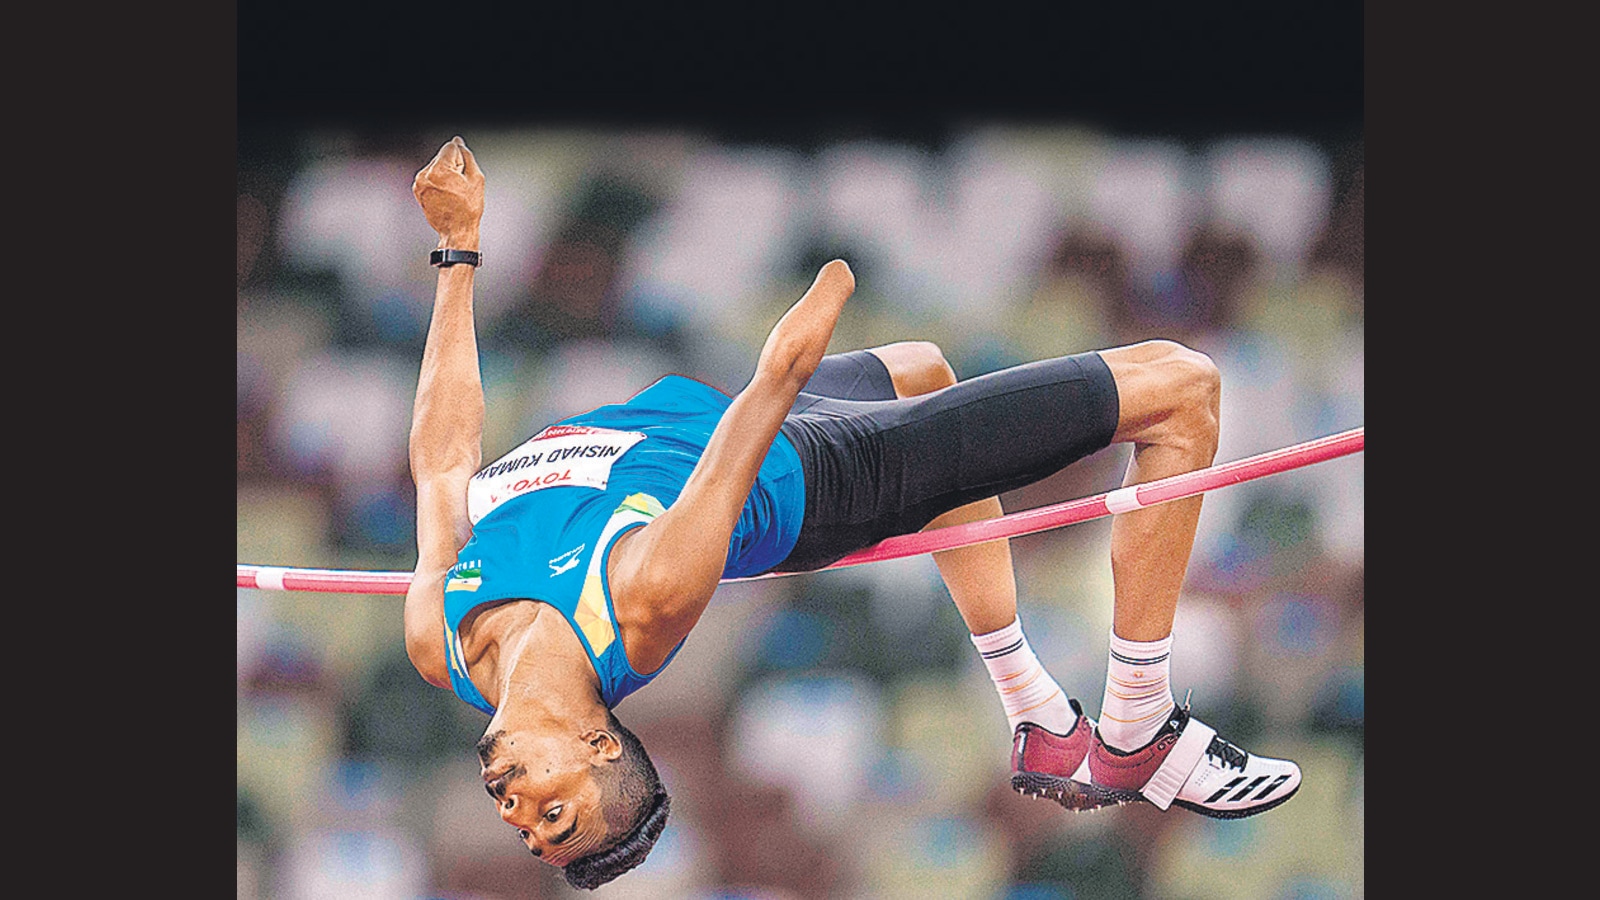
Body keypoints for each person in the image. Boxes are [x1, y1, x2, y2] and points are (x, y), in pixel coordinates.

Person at [402, 137, 1302, 890]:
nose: (515, 807)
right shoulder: (638, 602)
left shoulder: (438, 642)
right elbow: (745, 441)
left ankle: (1035, 712)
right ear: (599, 743)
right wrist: (799, 340)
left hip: (705, 422)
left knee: (919, 366)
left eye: (530, 825)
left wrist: (458, 249)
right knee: (1183, 388)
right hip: (815, 473)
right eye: (548, 814)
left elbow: (444, 462)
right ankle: (1140, 721)